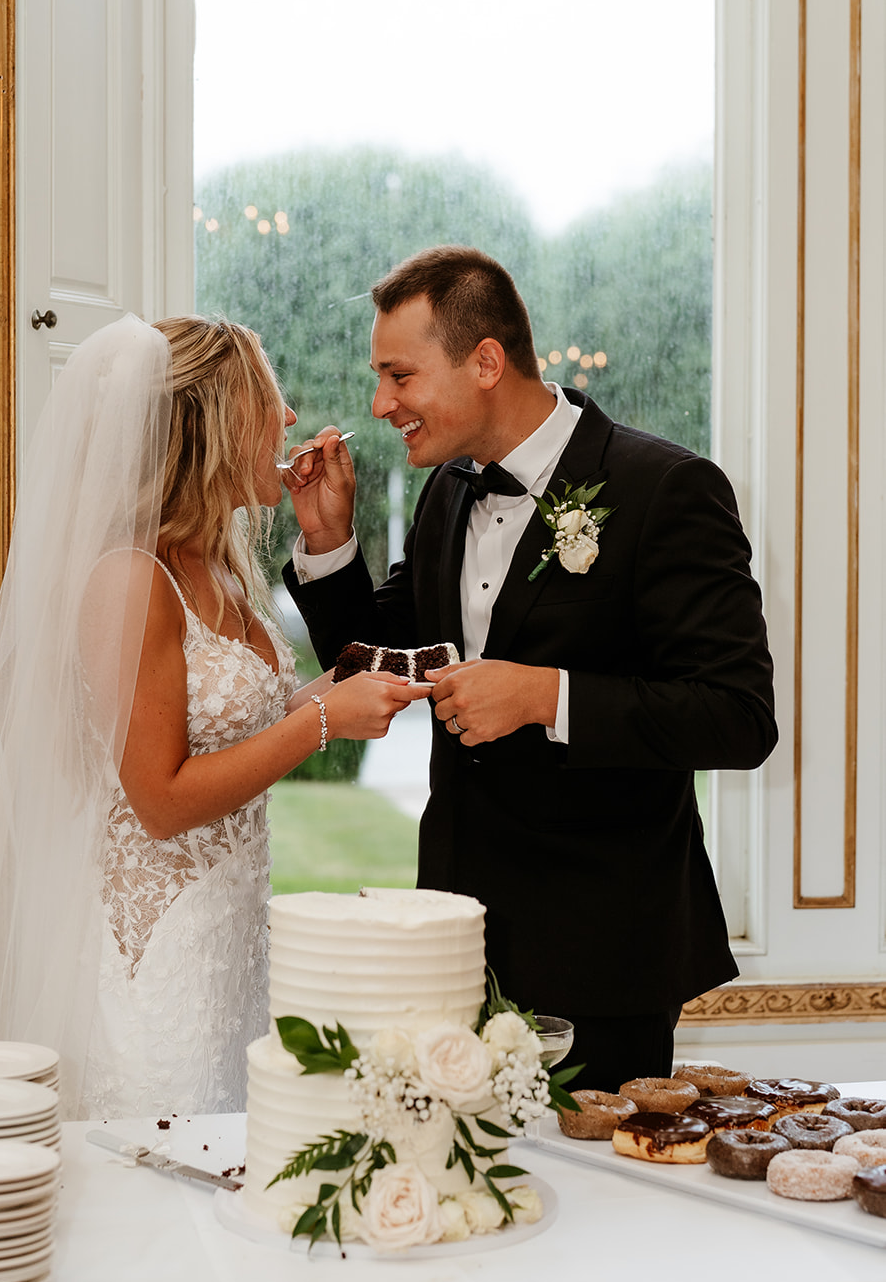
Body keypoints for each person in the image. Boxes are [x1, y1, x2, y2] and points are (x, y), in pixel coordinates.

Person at [282, 245, 777, 1092]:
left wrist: (545, 695)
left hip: (603, 951)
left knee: (601, 1215)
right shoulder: (448, 491)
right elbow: (382, 653)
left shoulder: (668, 489)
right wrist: (329, 546)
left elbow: (736, 715)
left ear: (484, 361)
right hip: (452, 938)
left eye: (399, 375)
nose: (379, 403)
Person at [0, 314, 420, 1117]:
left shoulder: (217, 565)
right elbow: (158, 799)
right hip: (155, 957)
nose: (289, 420)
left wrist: (353, 682)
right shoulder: (128, 577)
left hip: (226, 940)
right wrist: (321, 723)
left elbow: (235, 725)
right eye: (270, 399)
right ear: (215, 422)